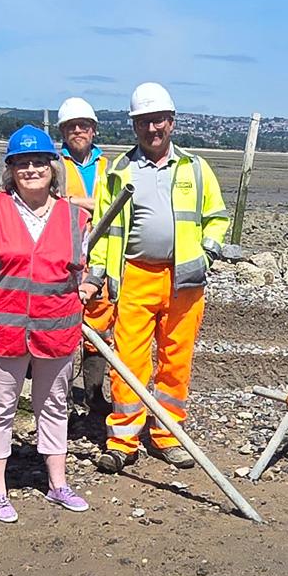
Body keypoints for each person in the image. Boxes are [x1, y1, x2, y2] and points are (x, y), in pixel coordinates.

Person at [81, 83, 229, 472]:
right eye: (144, 121)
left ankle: (167, 435)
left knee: (175, 359)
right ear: (134, 125)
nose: (152, 128)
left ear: (171, 122)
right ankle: (123, 439)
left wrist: (208, 254)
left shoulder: (195, 168)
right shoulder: (118, 171)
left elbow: (217, 217)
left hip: (185, 279)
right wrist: (97, 274)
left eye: (158, 120)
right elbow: (103, 227)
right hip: (135, 276)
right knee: (127, 360)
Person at [0, 126, 91, 522]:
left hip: (57, 329)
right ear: (10, 169)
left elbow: (81, 268)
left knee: (54, 405)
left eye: (39, 161)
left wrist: (86, 287)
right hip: (3, 330)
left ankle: (58, 484)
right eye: (22, 162)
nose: (31, 168)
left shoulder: (75, 218)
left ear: (53, 168)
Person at [57, 96, 113, 415]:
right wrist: (94, 203)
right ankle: (60, 395)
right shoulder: (53, 164)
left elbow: (122, 204)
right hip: (66, 251)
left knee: (101, 320)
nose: (78, 130)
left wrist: (74, 200)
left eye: (84, 126)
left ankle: (94, 393)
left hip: (103, 252)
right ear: (64, 132)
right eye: (71, 126)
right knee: (62, 321)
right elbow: (51, 201)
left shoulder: (110, 167)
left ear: (93, 130)